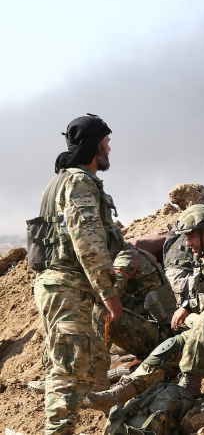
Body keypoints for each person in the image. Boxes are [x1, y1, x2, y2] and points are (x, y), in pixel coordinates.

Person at [85, 204, 204, 410]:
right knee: (168, 350)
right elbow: (200, 294)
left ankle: (182, 386)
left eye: (192, 236)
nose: (187, 243)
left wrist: (193, 318)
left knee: (172, 349)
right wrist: (187, 306)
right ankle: (121, 390)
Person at [32, 113, 124, 435]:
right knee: (69, 372)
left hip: (59, 286)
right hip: (68, 287)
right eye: (106, 141)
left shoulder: (58, 182)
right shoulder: (79, 182)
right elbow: (88, 242)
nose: (109, 148)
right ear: (94, 145)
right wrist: (109, 294)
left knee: (83, 366)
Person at [95, 242, 177, 358]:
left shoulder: (126, 257)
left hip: (161, 335)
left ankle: (94, 363)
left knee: (101, 310)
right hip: (145, 331)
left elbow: (108, 293)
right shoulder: (115, 256)